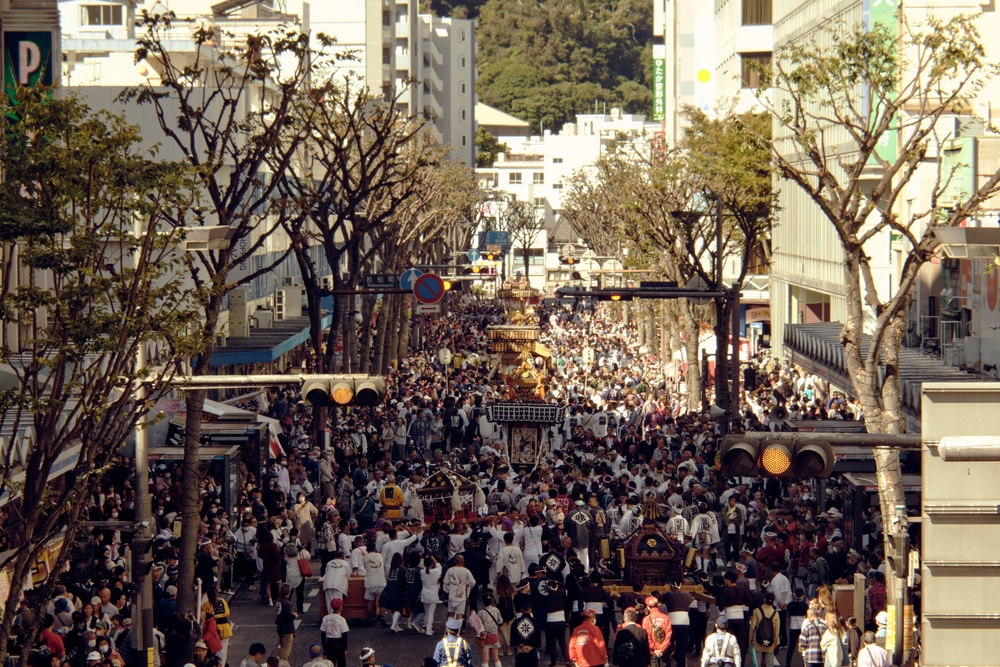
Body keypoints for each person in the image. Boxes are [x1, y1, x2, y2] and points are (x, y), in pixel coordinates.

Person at [201, 586, 232, 667]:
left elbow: (204, 616)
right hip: (225, 628)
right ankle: (222, 664)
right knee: (223, 650)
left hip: (213, 628)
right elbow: (228, 613)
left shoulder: (206, 605)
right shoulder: (223, 601)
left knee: (214, 650)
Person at [748, 592, 780, 667]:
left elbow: (753, 626)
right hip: (770, 639)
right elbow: (777, 629)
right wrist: (775, 641)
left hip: (758, 638)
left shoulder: (757, 611)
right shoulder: (775, 613)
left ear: (764, 600)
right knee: (769, 660)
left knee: (757, 659)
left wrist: (751, 638)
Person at [640, 596, 673, 667]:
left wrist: (654, 648)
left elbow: (647, 636)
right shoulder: (666, 617)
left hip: (653, 651)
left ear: (648, 607)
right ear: (657, 605)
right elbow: (668, 634)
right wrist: (661, 649)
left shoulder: (646, 619)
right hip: (664, 650)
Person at [510, 599, 542, 667]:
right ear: (530, 609)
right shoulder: (535, 622)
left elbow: (514, 635)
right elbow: (537, 635)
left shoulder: (516, 622)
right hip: (532, 651)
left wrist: (522, 645)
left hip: (520, 650)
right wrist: (531, 645)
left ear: (521, 609)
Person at [444, 554, 476, 620]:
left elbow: (445, 582)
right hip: (461, 596)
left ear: (454, 561)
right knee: (460, 615)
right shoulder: (466, 571)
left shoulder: (450, 570)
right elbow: (473, 582)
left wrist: (449, 590)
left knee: (451, 614)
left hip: (451, 596)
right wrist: (468, 586)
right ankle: (458, 629)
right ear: (463, 561)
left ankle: (450, 629)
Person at [320, 598, 350, 667]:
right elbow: (344, 635)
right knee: (341, 663)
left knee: (331, 662)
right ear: (340, 608)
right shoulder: (342, 620)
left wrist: (324, 647)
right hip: (338, 642)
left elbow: (323, 634)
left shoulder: (325, 618)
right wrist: (345, 649)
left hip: (329, 643)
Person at [477, 593, 503, 667]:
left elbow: (479, 625)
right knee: (496, 658)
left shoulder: (481, 613)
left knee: (485, 659)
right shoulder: (496, 610)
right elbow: (500, 621)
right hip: (494, 635)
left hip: (485, 636)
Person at [275, 583, 299, 663]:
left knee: (283, 646)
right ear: (289, 592)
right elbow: (288, 616)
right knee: (285, 650)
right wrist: (294, 615)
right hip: (287, 628)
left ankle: (284, 662)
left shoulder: (279, 600)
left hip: (280, 627)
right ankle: (283, 664)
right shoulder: (287, 603)